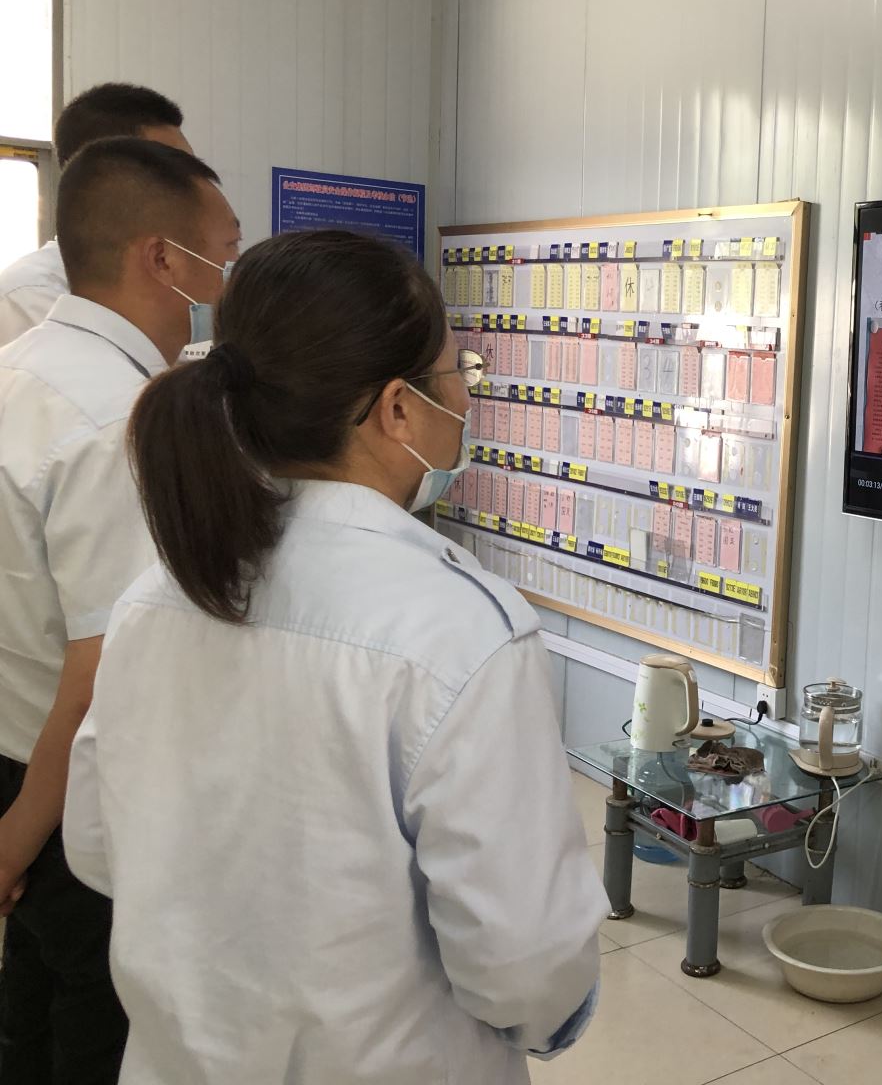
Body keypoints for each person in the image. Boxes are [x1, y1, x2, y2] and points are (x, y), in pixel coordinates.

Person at [63, 229, 606, 1084]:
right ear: (397, 409)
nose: (466, 395)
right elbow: (525, 964)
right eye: (457, 371)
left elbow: (95, 847)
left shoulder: (156, 598)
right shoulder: (460, 630)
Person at [0, 136, 239, 1082]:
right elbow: (101, 665)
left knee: (28, 1010)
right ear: (163, 258)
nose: (227, 277)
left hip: (19, 766)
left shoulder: (19, 368)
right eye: (225, 250)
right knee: (91, 1028)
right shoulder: (114, 420)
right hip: (62, 797)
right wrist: (19, 840)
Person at [0, 84, 192, 348]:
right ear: (97, 174)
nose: (191, 186)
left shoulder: (166, 278)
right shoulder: (30, 294)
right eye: (170, 170)